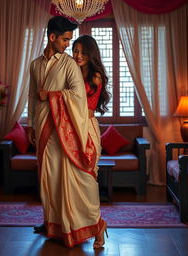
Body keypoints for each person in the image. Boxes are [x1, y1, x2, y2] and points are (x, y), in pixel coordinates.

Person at [28, 16, 107, 248]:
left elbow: (78, 96)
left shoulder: (69, 64)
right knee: (52, 179)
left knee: (81, 180)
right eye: (66, 41)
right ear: (52, 37)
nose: (71, 50)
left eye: (76, 46)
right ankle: (58, 226)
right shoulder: (34, 65)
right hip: (45, 128)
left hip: (73, 128)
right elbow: (32, 96)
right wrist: (31, 124)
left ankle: (95, 224)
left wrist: (51, 95)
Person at [72, 34, 111, 248]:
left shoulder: (95, 76)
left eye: (82, 52)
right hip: (69, 129)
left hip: (87, 129)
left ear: (91, 54)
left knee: (88, 180)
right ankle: (79, 227)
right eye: (75, 51)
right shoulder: (71, 72)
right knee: (74, 182)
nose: (77, 55)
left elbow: (85, 106)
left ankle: (98, 226)